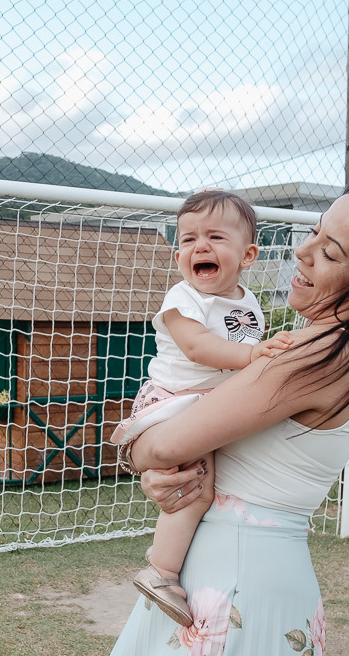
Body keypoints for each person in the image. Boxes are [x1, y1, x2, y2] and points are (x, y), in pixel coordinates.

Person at [58, 181, 349, 656]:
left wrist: (142, 458)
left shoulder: (314, 355)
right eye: (314, 232)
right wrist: (158, 465)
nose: (304, 252)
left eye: (331, 252)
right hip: (262, 586)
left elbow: (163, 447)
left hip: (228, 591)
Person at [110, 189, 292, 627]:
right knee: (195, 493)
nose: (200, 247)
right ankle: (162, 572)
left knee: (205, 487)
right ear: (178, 257)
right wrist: (254, 357)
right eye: (189, 240)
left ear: (247, 255)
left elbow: (244, 354)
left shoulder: (247, 302)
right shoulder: (182, 299)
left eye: (215, 237)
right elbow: (197, 348)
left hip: (209, 403)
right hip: (174, 401)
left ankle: (176, 564)